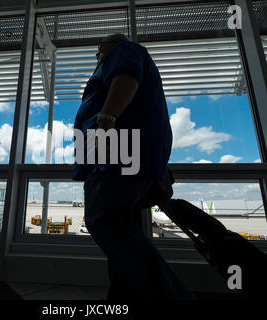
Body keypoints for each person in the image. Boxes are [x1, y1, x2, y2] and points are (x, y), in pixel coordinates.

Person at [72, 34, 195, 300]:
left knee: (104, 222)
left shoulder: (124, 50)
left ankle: (173, 298)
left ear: (110, 46)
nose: (98, 56)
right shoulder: (121, 59)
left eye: (100, 50)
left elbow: (126, 76)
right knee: (120, 233)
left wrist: (105, 121)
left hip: (117, 151)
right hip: (116, 153)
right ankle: (123, 298)